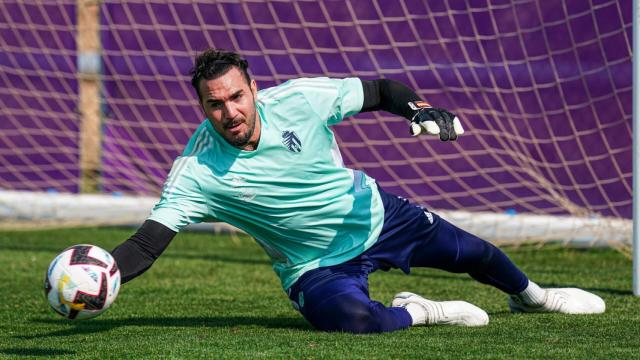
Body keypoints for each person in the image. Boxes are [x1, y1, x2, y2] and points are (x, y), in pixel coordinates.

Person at [111, 49, 605, 333]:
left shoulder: (302, 98)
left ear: (254, 89)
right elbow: (145, 245)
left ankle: (535, 298)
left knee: (475, 253)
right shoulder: (196, 170)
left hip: (375, 216)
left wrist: (419, 111)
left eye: (237, 96)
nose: (230, 112)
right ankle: (422, 309)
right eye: (215, 104)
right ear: (201, 107)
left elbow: (382, 91)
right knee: (351, 320)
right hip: (313, 266)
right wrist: (100, 276)